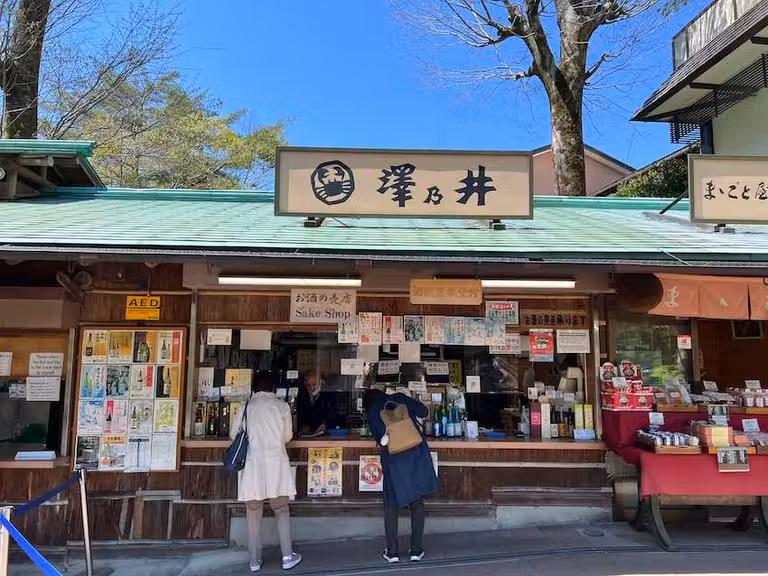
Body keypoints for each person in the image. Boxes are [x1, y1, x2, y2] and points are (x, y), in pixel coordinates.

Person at [231, 372, 302, 572]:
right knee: (281, 510)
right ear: (273, 388)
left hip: (252, 467)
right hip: (276, 466)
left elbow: (233, 434)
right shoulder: (282, 407)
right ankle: (288, 556)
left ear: (254, 387)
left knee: (253, 513)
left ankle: (254, 561)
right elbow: (287, 436)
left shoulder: (246, 407)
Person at [365, 389, 438, 564]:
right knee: (417, 503)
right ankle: (416, 550)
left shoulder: (373, 410)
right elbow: (423, 411)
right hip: (415, 455)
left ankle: (392, 553)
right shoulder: (399, 398)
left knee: (391, 506)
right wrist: (408, 399)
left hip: (393, 460)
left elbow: (378, 436)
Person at [296, 369, 336, 435]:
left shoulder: (328, 395)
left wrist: (325, 424)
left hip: (325, 433)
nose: (311, 388)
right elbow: (300, 414)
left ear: (321, 383)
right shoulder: (302, 396)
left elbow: (332, 413)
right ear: (305, 383)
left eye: (314, 385)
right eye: (308, 385)